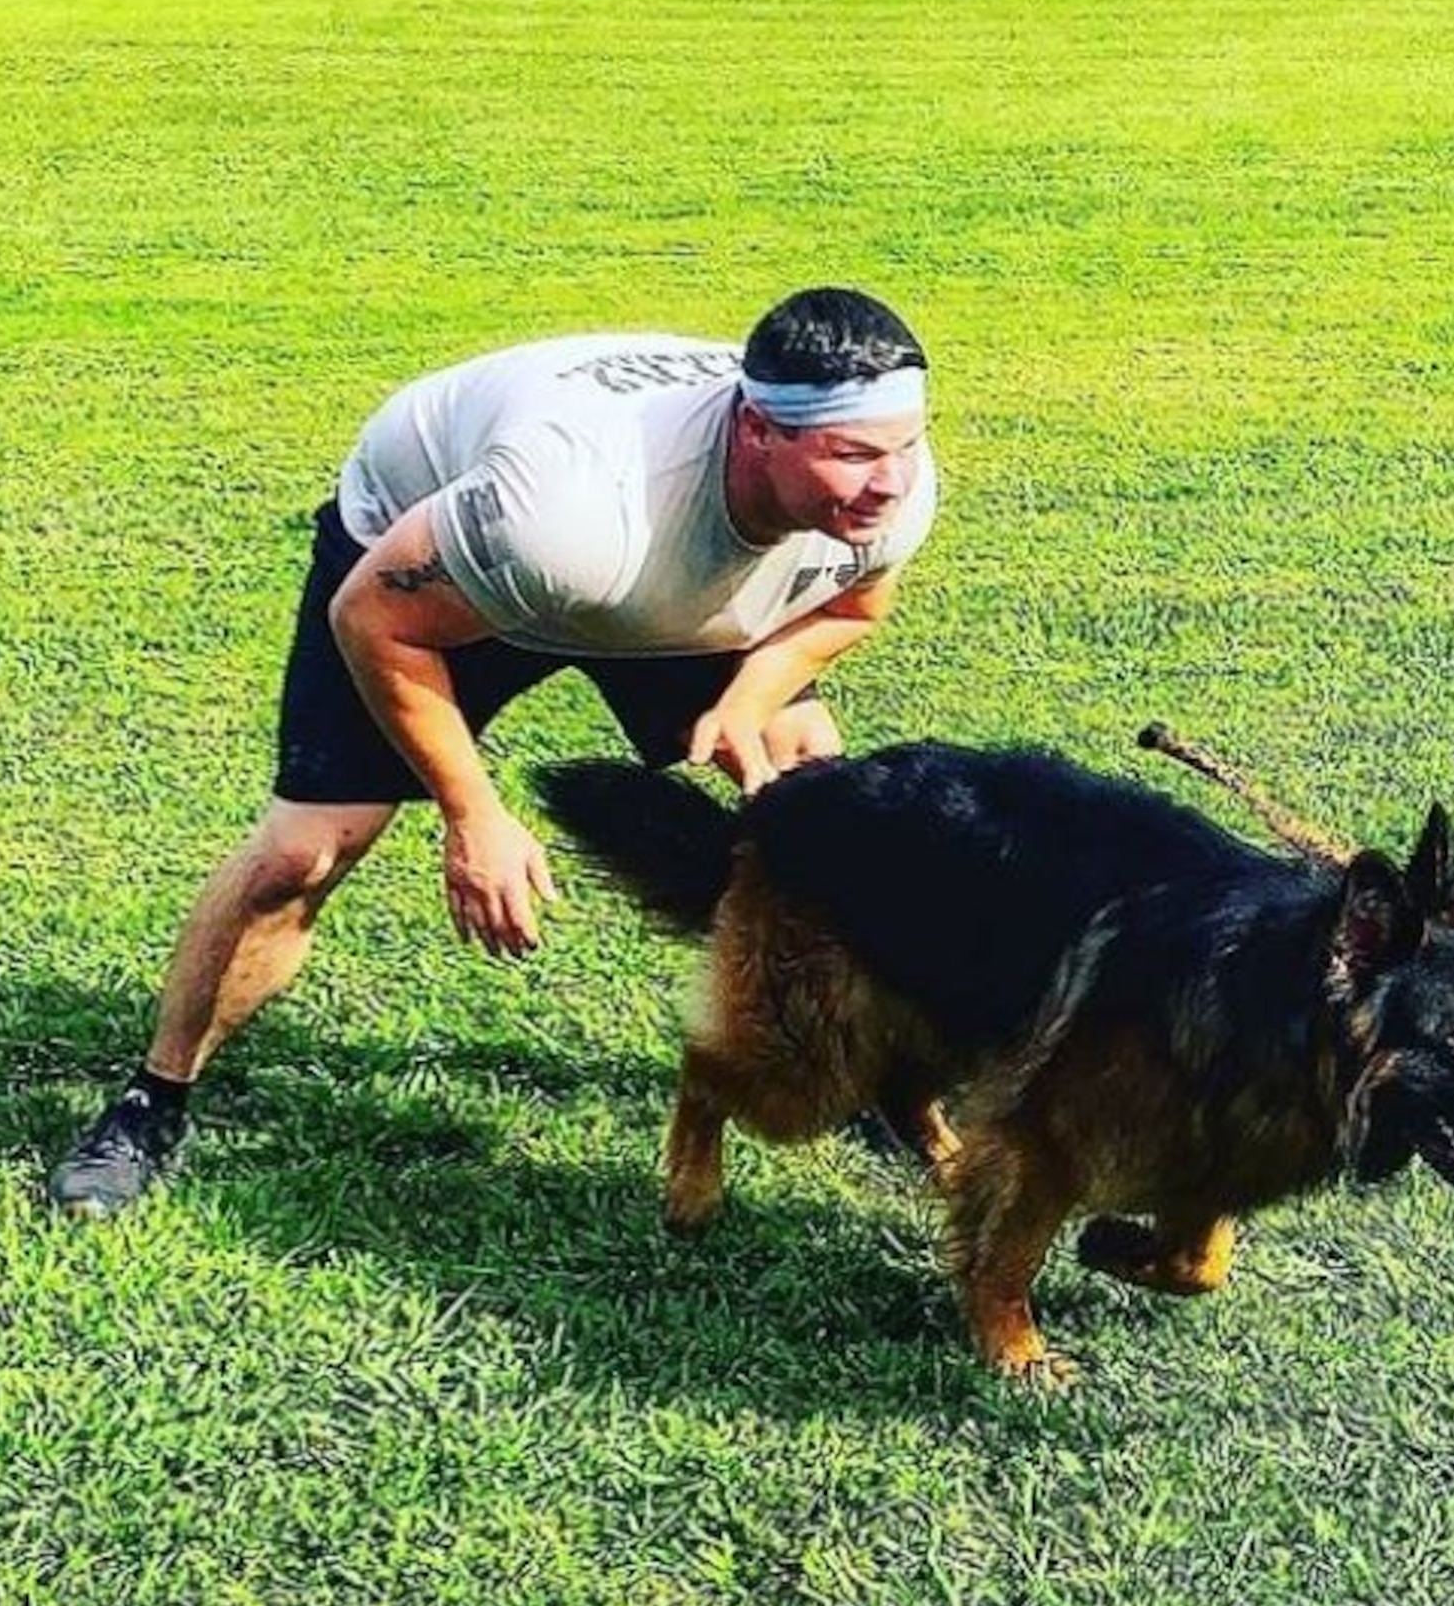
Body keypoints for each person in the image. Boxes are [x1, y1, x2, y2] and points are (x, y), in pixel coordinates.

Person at [48, 286, 937, 1218]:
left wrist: (748, 700)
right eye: (853, 455)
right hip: (448, 570)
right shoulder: (569, 507)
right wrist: (473, 814)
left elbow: (852, 606)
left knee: (819, 810)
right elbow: (374, 617)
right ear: (758, 430)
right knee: (305, 851)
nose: (889, 479)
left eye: (903, 446)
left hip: (661, 587)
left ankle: (859, 1074)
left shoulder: (891, 494)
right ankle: (153, 1101)